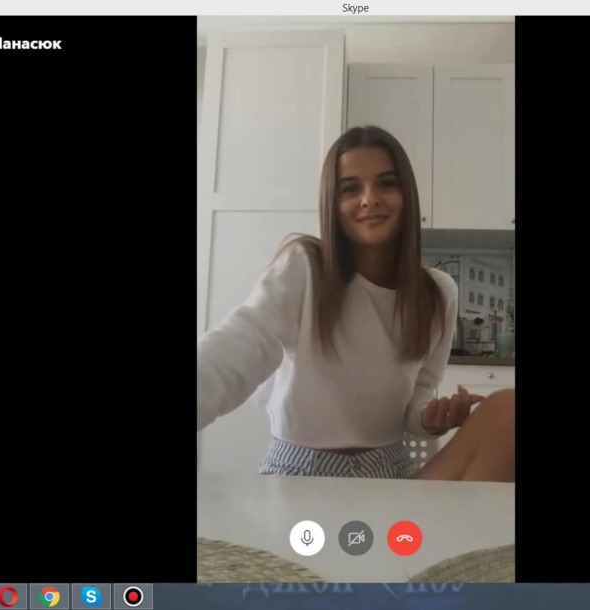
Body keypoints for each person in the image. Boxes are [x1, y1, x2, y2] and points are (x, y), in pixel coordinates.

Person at [197, 125, 515, 482]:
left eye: (387, 184)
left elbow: (417, 398)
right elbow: (235, 348)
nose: (369, 199)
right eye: (350, 188)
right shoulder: (305, 267)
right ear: (331, 202)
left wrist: (430, 419)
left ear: (407, 196)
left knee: (508, 412)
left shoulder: (438, 293)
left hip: (390, 469)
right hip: (300, 470)